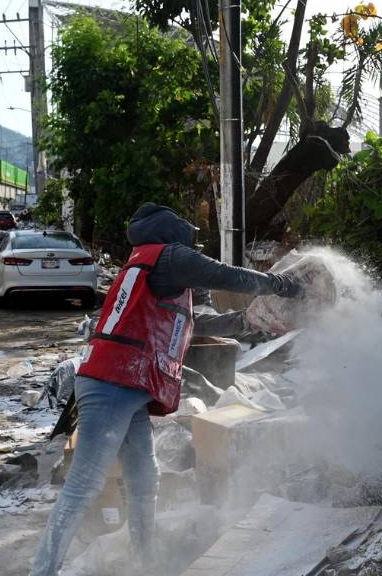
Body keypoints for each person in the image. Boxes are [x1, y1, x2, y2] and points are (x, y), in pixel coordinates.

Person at [30, 203, 303, 576]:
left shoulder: (146, 266)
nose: (191, 244)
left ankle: (144, 563)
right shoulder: (169, 258)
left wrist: (246, 321)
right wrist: (281, 285)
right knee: (85, 484)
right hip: (113, 384)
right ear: (171, 232)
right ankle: (42, 571)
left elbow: (194, 325)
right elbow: (227, 276)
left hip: (126, 387)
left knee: (145, 478)